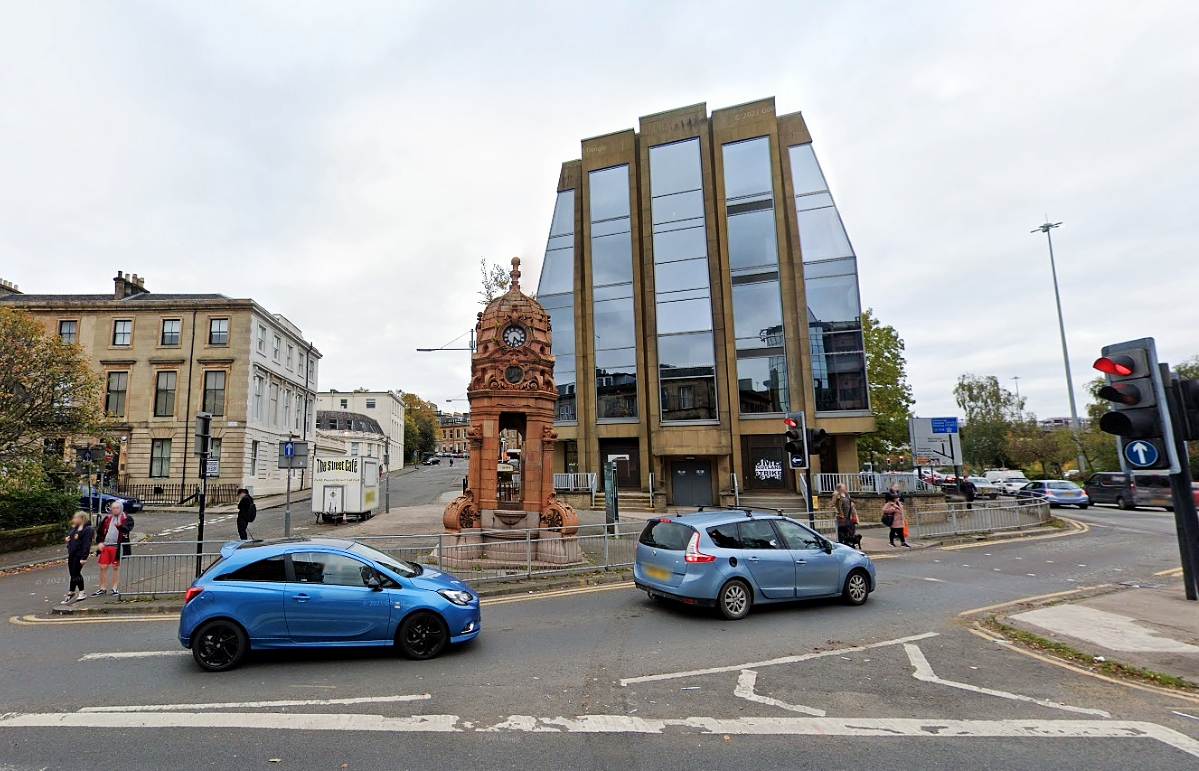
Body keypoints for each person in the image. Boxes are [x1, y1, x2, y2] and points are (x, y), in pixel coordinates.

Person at [93, 501, 134, 596]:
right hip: (106, 546)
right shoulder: (107, 519)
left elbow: (127, 529)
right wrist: (99, 543)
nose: (115, 509)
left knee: (115, 567)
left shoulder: (127, 519)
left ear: (121, 508)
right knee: (103, 567)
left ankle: (114, 588)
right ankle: (102, 588)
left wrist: (120, 526)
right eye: (113, 508)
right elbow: (100, 532)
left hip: (117, 547)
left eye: (117, 508)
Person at [62, 512, 94, 604]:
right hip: (72, 553)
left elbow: (86, 544)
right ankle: (71, 592)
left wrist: (84, 557)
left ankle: (82, 592)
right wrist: (68, 540)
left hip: (79, 554)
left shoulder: (87, 529)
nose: (74, 520)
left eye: (76, 518)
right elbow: (74, 539)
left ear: (82, 519)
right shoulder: (75, 528)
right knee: (72, 573)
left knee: (76, 573)